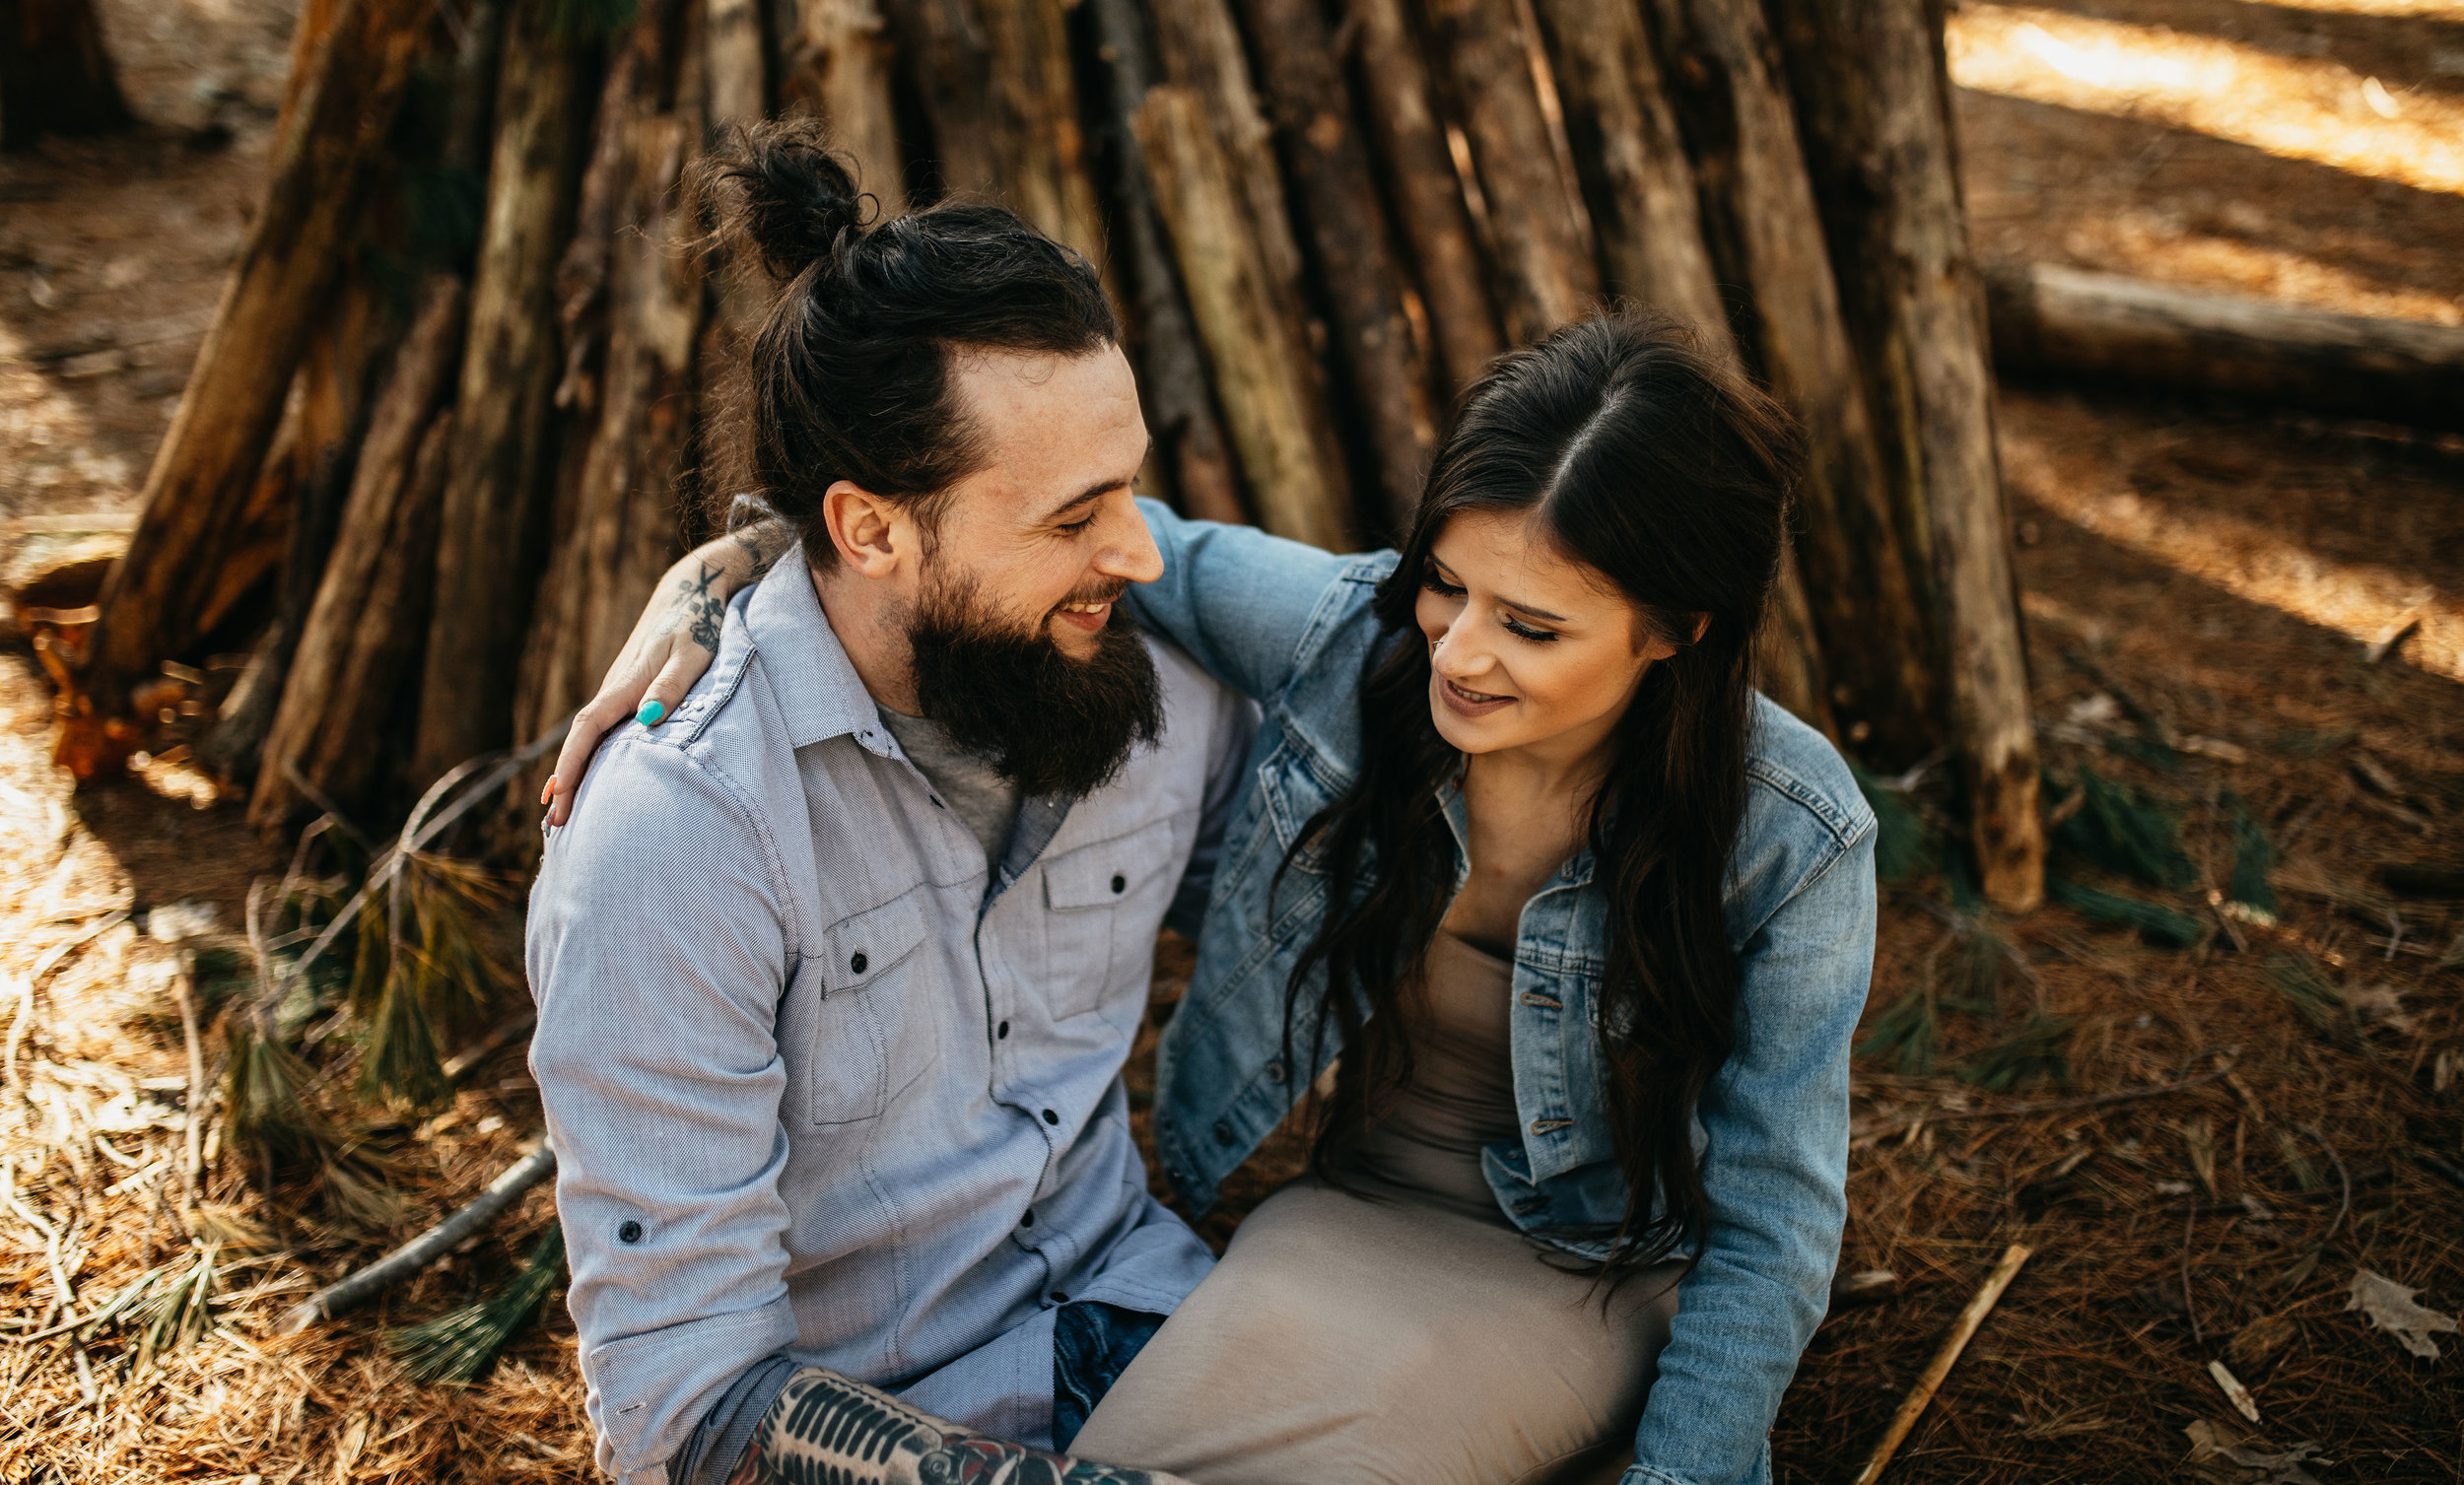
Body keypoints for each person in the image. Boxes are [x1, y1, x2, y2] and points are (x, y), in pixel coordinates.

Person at [569, 298, 1879, 1482]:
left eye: (1532, 626)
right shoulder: (1352, 637)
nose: (1461, 654)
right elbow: (1036, 541)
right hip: (1341, 1221)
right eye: (1448, 585)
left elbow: (1774, 1213)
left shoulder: (1790, 834)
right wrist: (726, 573)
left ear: (1675, 629)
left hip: (1587, 1266)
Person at [524, 118, 1256, 1485]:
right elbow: (691, 1412)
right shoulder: (683, 837)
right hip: (893, 1434)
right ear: (868, 529)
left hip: (1171, 1321)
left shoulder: (1139, 686)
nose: (1141, 551)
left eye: (1133, 486)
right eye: (1072, 516)